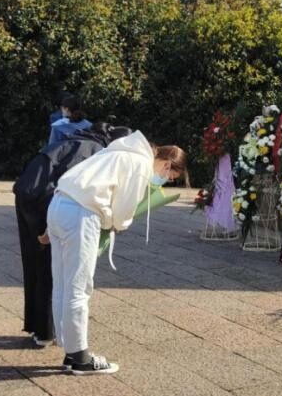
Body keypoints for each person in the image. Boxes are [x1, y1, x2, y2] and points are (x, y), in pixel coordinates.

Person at [43, 131, 185, 375]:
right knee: (79, 287)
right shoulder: (140, 163)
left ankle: (70, 348)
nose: (163, 180)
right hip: (82, 213)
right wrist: (117, 225)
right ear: (166, 164)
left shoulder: (119, 150)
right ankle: (80, 357)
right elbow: (123, 210)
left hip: (59, 205)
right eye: (168, 176)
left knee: (63, 283)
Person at [13, 123, 132, 347]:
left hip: (26, 195)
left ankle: (39, 327)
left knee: (34, 264)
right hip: (46, 199)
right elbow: (78, 187)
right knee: (52, 268)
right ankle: (47, 331)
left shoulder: (79, 140)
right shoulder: (97, 151)